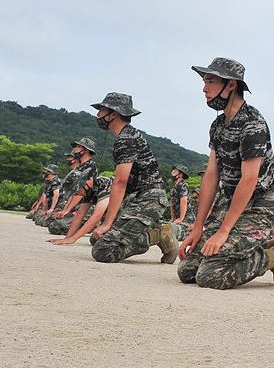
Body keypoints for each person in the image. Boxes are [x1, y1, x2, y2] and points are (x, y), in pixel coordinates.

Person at [177, 57, 274, 290]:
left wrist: (223, 232)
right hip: (229, 204)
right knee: (188, 270)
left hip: (259, 205)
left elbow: (249, 181)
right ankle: (262, 248)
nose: (204, 89)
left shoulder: (252, 123)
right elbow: (211, 176)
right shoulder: (218, 126)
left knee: (210, 276)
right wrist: (198, 227)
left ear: (231, 85)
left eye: (210, 81)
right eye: (204, 81)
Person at [88, 92, 176, 264]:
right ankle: (155, 231)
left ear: (114, 114)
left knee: (102, 251)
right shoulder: (126, 136)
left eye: (101, 110)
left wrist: (107, 223)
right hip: (138, 199)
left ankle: (159, 235)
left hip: (149, 200)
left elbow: (120, 182)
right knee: (96, 239)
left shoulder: (126, 139)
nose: (98, 114)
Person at [47, 139, 101, 236]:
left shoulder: (90, 167)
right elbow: (74, 192)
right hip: (79, 205)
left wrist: (67, 210)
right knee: (53, 221)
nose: (75, 149)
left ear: (86, 150)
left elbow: (80, 193)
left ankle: (89, 224)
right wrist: (65, 209)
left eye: (78, 147)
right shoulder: (81, 167)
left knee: (55, 227)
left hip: (88, 206)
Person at [169, 164, 191, 237]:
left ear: (180, 174)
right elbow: (171, 203)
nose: (172, 173)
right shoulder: (173, 187)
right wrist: (173, 218)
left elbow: (184, 201)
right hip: (177, 217)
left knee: (177, 233)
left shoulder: (183, 185)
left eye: (175, 171)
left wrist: (181, 219)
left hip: (186, 218)